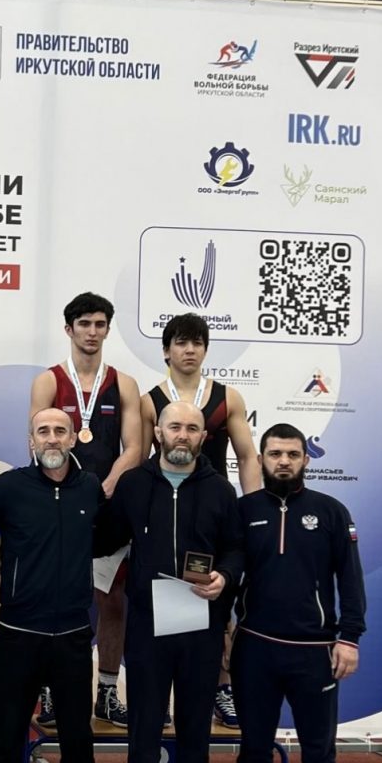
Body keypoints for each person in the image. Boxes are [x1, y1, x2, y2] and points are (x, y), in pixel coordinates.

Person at [222, 424, 365, 763]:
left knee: (319, 751)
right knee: (254, 745)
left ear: (305, 459)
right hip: (255, 649)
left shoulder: (331, 512)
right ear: (260, 459)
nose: (283, 461)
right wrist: (224, 632)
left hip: (315, 653)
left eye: (292, 454)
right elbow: (230, 575)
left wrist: (349, 638)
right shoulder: (243, 511)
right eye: (275, 454)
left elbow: (351, 580)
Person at [107, 401, 243, 763]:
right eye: (175, 427)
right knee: (144, 729)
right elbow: (103, 538)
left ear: (204, 437)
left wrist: (226, 576)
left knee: (194, 731)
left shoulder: (221, 490)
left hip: (201, 625)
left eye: (192, 428)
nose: (182, 435)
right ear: (158, 433)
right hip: (148, 626)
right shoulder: (133, 484)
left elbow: (236, 549)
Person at [0, 408, 111, 763]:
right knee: (5, 734)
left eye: (60, 431)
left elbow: (106, 541)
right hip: (18, 633)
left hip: (72, 634)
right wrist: (6, 569)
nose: (52, 439)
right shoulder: (8, 487)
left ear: (73, 438)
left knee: (77, 736)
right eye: (43, 431)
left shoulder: (90, 489)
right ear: (31, 440)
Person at [139, 312, 260, 729]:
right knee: (158, 594)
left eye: (197, 343)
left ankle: (221, 687)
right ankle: (158, 693)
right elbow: (141, 460)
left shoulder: (229, 397)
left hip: (213, 510)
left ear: (206, 349)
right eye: (181, 342)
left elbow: (247, 457)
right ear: (166, 350)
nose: (189, 350)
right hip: (166, 507)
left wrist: (253, 509)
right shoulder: (150, 400)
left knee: (214, 597)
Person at [30, 292, 141, 729]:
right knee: (52, 599)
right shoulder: (49, 381)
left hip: (108, 507)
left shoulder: (124, 384)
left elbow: (135, 448)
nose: (92, 332)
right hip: (60, 505)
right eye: (84, 324)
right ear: (69, 329)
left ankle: (107, 693)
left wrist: (106, 486)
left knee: (112, 601)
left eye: (99, 324)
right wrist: (70, 491)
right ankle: (50, 693)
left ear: (108, 330)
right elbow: (39, 443)